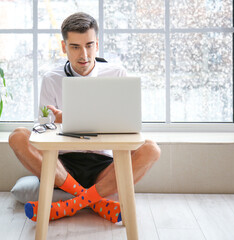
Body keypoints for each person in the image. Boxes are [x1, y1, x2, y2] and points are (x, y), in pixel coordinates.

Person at [9, 12, 160, 223]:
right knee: (17, 136)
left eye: (89, 45)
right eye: (75, 47)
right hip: (61, 165)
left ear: (97, 44)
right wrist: (56, 124)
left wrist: (77, 117)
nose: (84, 55)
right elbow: (40, 131)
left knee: (152, 149)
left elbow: (128, 124)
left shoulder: (117, 74)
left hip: (104, 166)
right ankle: (96, 202)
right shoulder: (51, 79)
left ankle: (68, 206)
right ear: (64, 47)